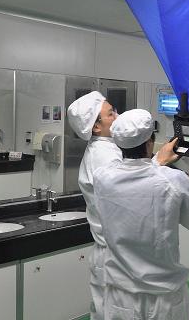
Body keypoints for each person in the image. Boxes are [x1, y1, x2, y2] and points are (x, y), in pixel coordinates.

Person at [93, 109, 189, 320]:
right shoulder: (172, 181)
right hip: (162, 301)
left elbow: (136, 175)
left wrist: (157, 160)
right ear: (150, 142)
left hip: (119, 298)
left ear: (119, 143)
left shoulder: (102, 178)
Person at [67, 91, 121, 320]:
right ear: (96, 127)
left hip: (112, 254)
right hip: (113, 255)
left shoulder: (109, 148)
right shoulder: (104, 156)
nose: (117, 116)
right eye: (111, 114)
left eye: (115, 111)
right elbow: (129, 194)